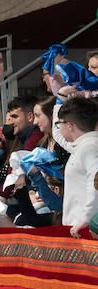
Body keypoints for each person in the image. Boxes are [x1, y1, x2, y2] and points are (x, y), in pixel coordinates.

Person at [57, 97, 98, 237]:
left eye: (59, 123)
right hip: (80, 226)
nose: (58, 127)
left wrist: (87, 219)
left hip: (85, 228)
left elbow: (96, 183)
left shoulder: (89, 147)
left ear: (70, 125)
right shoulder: (83, 146)